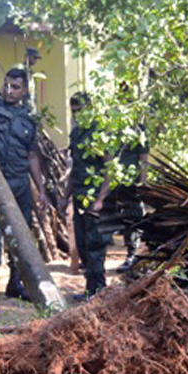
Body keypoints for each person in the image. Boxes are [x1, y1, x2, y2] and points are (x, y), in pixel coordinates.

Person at [0, 21, 47, 312]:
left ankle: (15, 283)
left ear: (25, 91)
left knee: (20, 234)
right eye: (7, 85)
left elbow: (32, 157)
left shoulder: (29, 120)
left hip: (19, 185)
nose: (8, 89)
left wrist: (41, 189)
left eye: (15, 87)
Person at [59, 92, 112, 300]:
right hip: (80, 196)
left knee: (95, 245)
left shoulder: (100, 134)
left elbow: (110, 170)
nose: (77, 115)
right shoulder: (76, 134)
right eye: (74, 111)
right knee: (82, 244)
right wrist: (65, 197)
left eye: (80, 111)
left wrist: (101, 199)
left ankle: (99, 290)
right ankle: (91, 288)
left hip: (95, 197)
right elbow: (76, 169)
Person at [115, 132, 149, 273]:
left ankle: (132, 255)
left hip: (131, 182)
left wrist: (142, 184)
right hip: (114, 181)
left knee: (132, 218)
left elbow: (143, 159)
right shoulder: (112, 127)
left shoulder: (138, 130)